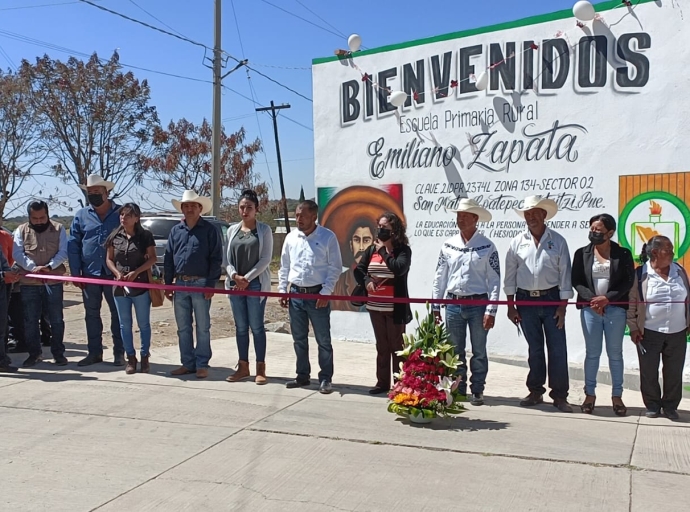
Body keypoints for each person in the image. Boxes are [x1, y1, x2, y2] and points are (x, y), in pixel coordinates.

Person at [504, 195, 574, 412]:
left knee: (557, 348)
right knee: (534, 348)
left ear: (544, 215)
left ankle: (560, 395)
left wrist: (563, 306)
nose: (531, 217)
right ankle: (535, 391)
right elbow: (510, 276)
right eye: (527, 214)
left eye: (535, 213)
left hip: (552, 299)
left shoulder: (558, 241)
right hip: (525, 300)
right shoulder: (516, 242)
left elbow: (565, 275)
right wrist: (510, 305)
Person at [432, 198, 500, 406]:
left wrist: (492, 310)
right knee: (454, 350)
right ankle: (458, 388)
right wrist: (435, 306)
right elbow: (439, 277)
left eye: (464, 216)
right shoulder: (448, 244)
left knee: (479, 349)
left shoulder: (487, 246)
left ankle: (477, 389)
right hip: (452, 304)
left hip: (478, 304)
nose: (460, 219)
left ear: (475, 219)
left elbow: (495, 280)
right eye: (458, 216)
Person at [572, 214, 635, 416]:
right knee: (592, 353)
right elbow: (577, 281)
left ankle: (617, 396)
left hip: (615, 310)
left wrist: (607, 298)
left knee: (615, 354)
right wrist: (593, 300)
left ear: (610, 233)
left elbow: (627, 281)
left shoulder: (623, 254)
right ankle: (589, 395)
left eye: (598, 230)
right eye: (592, 229)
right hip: (590, 310)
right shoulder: (581, 253)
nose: (594, 232)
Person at [278, 200, 342, 394]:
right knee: (299, 338)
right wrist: (282, 290)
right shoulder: (291, 238)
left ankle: (325, 378)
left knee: (323, 339)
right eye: (297, 215)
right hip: (296, 294)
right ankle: (302, 376)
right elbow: (284, 266)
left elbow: (335, 267)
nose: (299, 219)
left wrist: (326, 292)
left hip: (318, 295)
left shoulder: (327, 237)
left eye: (303, 215)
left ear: (314, 216)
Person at [627, 236, 689, 420]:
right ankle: (653, 405)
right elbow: (631, 303)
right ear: (655, 252)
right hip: (649, 332)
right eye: (668, 250)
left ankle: (670, 406)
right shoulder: (641, 274)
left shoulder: (680, 271)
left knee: (674, 371)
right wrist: (633, 327)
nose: (672, 253)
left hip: (677, 332)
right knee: (648, 371)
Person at [164, 190, 223, 379]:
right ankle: (187, 363)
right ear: (182, 208)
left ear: (200, 208)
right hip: (180, 283)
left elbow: (216, 258)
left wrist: (210, 284)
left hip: (201, 283)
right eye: (186, 206)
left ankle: (202, 363)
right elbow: (168, 258)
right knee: (183, 327)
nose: (189, 209)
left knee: (203, 326)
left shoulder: (209, 230)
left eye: (193, 206)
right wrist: (168, 284)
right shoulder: (175, 231)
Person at [67, 174, 124, 366]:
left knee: (118, 314)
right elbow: (73, 244)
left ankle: (119, 353)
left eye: (97, 192)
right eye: (90, 193)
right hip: (89, 274)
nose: (93, 195)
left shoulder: (121, 214)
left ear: (107, 193)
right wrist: (76, 274)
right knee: (91, 314)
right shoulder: (81, 215)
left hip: (115, 274)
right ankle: (94, 353)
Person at [354, 212, 412, 395]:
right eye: (378, 227)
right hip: (375, 307)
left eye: (384, 228)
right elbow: (359, 270)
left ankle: (400, 385)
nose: (380, 230)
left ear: (394, 230)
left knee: (397, 347)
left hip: (395, 308)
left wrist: (383, 251)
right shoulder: (371, 250)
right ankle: (382, 383)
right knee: (382, 346)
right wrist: (366, 281)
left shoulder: (403, 250)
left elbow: (398, 268)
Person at [225, 189, 273, 384]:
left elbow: (266, 259)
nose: (245, 211)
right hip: (235, 285)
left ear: (256, 209)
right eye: (242, 207)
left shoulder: (264, 230)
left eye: (249, 207)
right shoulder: (231, 230)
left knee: (257, 327)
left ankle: (260, 367)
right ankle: (243, 366)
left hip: (255, 285)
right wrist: (235, 276)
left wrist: (247, 278)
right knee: (241, 327)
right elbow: (226, 259)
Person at [12, 200, 69, 367]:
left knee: (56, 319)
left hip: (53, 281)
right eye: (34, 218)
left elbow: (63, 251)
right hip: (29, 282)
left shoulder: (58, 229)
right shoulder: (21, 230)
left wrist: (49, 267)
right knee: (30, 320)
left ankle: (58, 353)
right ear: (29, 217)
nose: (38, 221)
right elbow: (17, 253)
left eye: (42, 217)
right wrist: (33, 268)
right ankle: (34, 354)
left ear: (47, 214)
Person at [105, 203, 157, 375]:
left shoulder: (145, 236)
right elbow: (109, 259)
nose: (123, 218)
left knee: (143, 324)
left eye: (128, 215)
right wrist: (116, 273)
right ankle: (131, 358)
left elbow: (153, 259)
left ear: (136, 218)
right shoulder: (114, 236)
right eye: (121, 215)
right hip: (120, 287)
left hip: (140, 286)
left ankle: (144, 357)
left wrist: (136, 272)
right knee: (124, 324)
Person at [332, 220, 376, 312]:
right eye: (356, 240)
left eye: (366, 240)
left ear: (373, 244)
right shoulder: (339, 283)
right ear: (351, 245)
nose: (361, 247)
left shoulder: (382, 277)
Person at [0, 248, 17, 372]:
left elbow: (5, 264)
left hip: (2, 286)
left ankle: (2, 361)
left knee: (2, 328)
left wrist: (10, 273)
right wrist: (3, 274)